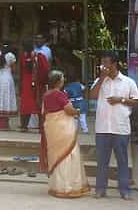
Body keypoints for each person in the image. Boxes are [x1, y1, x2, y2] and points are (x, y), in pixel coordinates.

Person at [89, 51, 138, 200]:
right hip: (102, 128)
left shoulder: (128, 82)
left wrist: (121, 100)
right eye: (102, 63)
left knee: (123, 161)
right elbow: (92, 96)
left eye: (106, 63)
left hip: (120, 127)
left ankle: (124, 190)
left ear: (114, 64)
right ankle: (100, 189)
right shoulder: (100, 80)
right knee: (102, 161)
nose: (103, 66)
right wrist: (101, 79)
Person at [40, 70, 90, 199]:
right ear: (58, 82)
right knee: (68, 155)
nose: (64, 81)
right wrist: (77, 111)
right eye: (62, 79)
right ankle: (68, 187)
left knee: (56, 156)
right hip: (63, 129)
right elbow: (69, 110)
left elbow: (44, 112)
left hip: (51, 128)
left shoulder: (46, 94)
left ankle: (57, 186)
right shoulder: (60, 94)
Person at [19, 42, 49, 132]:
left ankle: (24, 126)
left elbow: (20, 72)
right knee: (38, 104)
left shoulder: (23, 57)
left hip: (26, 84)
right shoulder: (40, 56)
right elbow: (46, 69)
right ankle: (41, 127)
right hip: (37, 84)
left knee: (25, 106)